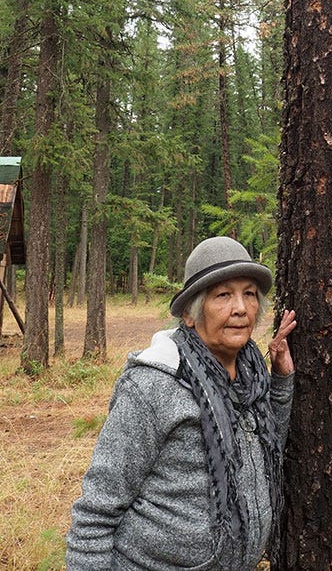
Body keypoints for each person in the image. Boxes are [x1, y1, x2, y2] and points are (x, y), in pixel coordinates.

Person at [66, 236, 296, 571]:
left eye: (249, 293)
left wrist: (280, 381)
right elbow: (96, 512)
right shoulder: (152, 386)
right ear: (190, 314)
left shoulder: (251, 372)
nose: (241, 308)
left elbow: (264, 446)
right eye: (223, 295)